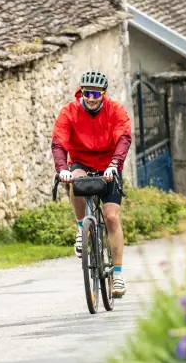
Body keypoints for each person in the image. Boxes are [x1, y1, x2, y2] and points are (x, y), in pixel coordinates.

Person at [51, 70, 132, 298]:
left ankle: (117, 275)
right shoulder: (70, 111)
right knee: (74, 180)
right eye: (87, 93)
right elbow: (58, 142)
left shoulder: (115, 110)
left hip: (109, 165)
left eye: (96, 93)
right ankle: (81, 229)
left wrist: (115, 164)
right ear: (82, 92)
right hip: (82, 161)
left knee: (111, 217)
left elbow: (124, 137)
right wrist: (62, 169)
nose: (92, 97)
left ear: (103, 94)